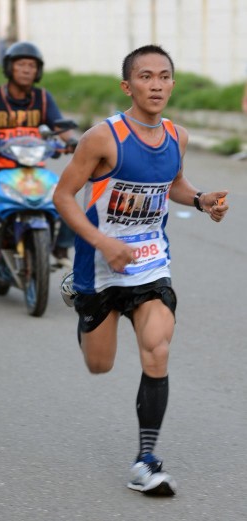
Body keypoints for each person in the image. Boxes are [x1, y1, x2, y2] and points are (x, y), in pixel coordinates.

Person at [53, 44, 229, 496]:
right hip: (100, 263)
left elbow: (172, 182)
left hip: (151, 263)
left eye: (164, 76)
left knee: (157, 348)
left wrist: (200, 199)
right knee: (100, 364)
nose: (156, 84)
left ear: (172, 82)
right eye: (146, 77)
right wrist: (102, 242)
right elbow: (63, 197)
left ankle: (145, 460)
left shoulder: (177, 135)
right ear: (127, 86)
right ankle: (82, 298)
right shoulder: (102, 138)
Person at [0, 41, 77, 268]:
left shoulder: (43, 98)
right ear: (9, 68)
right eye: (21, 64)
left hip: (31, 167)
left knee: (65, 197)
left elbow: (60, 125)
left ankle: (61, 246)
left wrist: (72, 141)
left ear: (38, 71)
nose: (26, 69)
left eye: (32, 65)